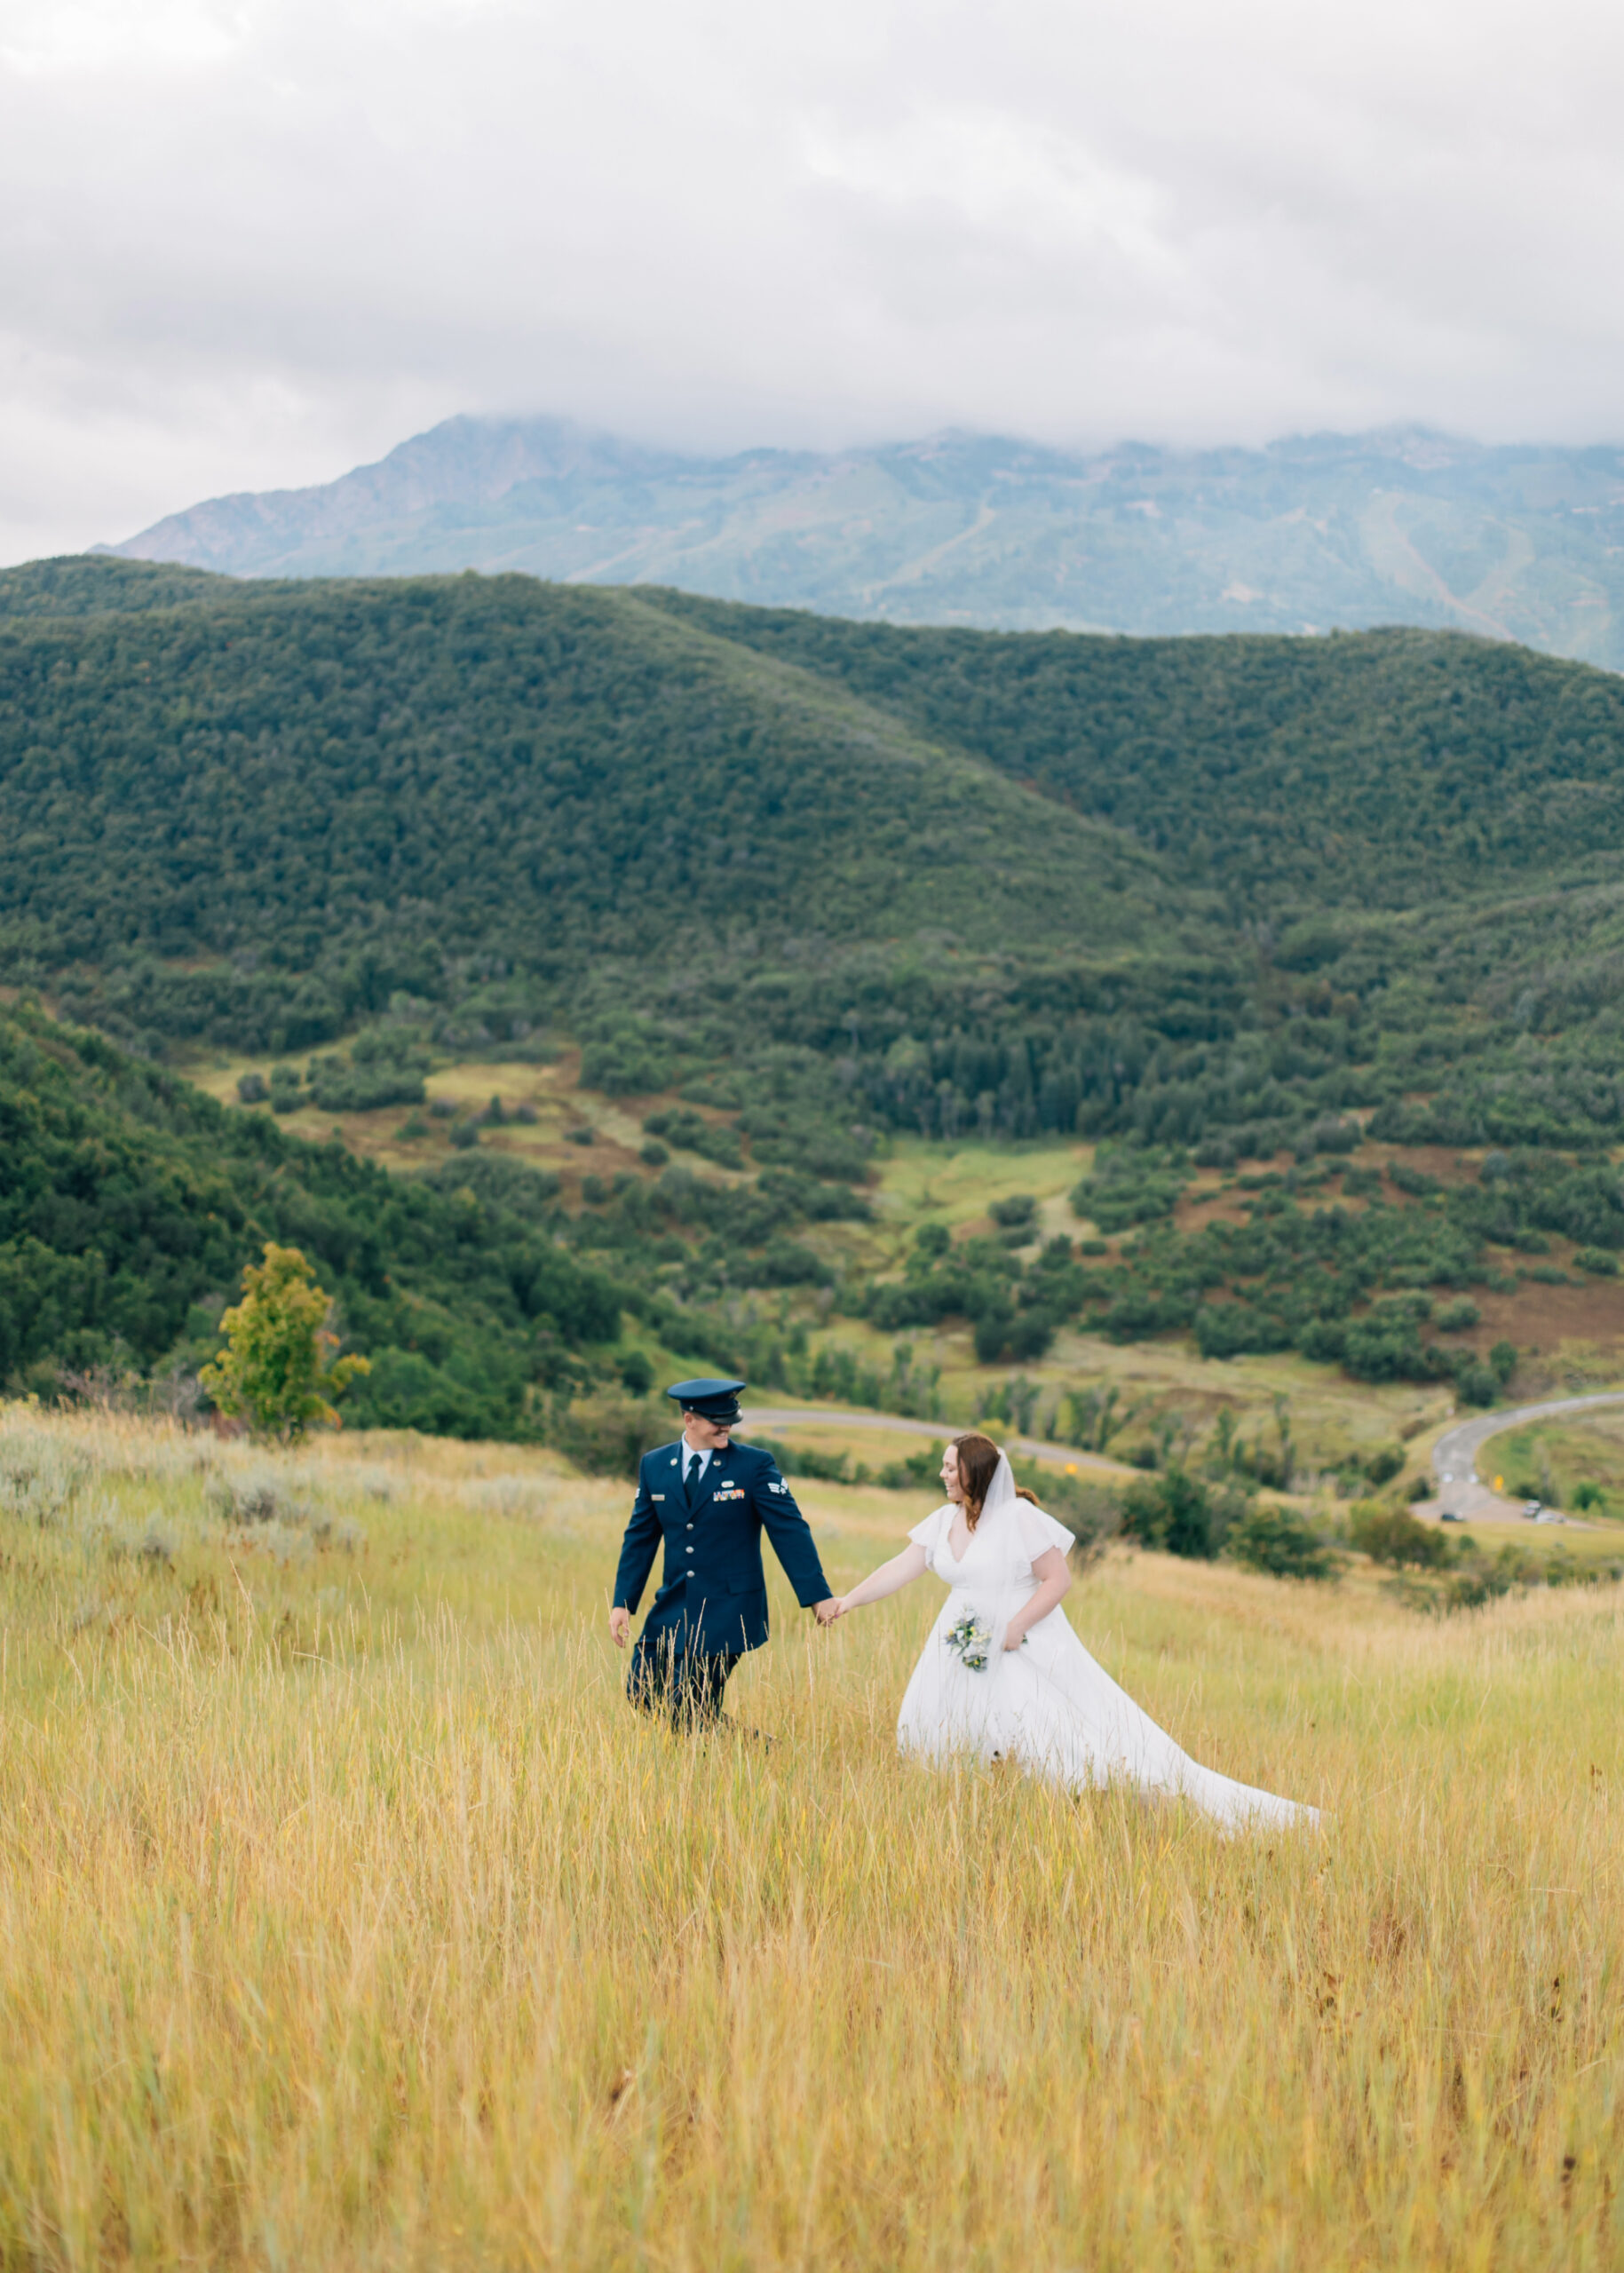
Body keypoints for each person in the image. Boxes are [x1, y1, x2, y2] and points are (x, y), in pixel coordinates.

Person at [828, 1431, 1319, 1833]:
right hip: (959, 1644)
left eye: (950, 1468)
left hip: (1018, 1647)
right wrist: (848, 1601)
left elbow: (1058, 1578)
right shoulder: (942, 1522)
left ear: (974, 1472)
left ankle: (1083, 1813)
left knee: (1044, 1738)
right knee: (955, 1731)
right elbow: (901, 1567)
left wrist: (1015, 1628)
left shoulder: (1020, 1517)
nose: (942, 1475)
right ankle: (980, 1815)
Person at [609, 1377, 840, 1729]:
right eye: (718, 1419)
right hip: (673, 1606)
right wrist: (623, 1602)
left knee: (688, 1708)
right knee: (641, 1693)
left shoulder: (754, 1466)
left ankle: (711, 1769)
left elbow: (790, 1531)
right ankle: (757, 1750)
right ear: (690, 1419)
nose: (727, 1426)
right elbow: (640, 1537)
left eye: (731, 1418)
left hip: (729, 1610)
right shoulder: (654, 1465)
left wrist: (817, 1597)